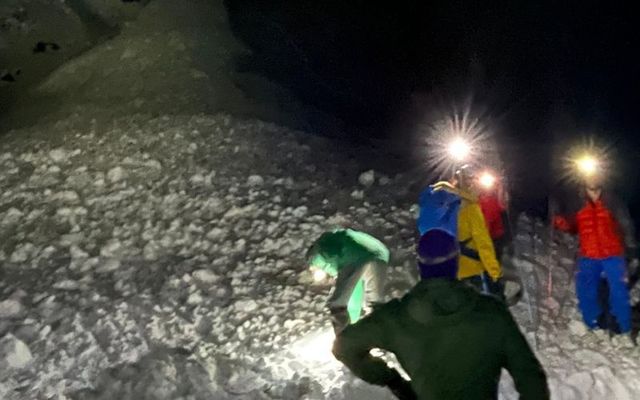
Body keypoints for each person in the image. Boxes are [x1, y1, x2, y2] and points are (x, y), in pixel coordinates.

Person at [333, 229, 550, 400]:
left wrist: (392, 380)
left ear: (420, 266)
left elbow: (344, 346)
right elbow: (532, 380)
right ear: (455, 265)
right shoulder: (492, 312)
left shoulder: (396, 317)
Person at [553, 176, 638, 346]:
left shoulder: (611, 201)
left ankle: (623, 330)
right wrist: (558, 219)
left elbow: (625, 223)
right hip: (588, 254)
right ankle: (593, 325)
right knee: (585, 289)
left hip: (613, 253)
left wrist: (631, 248)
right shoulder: (577, 202)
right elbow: (570, 226)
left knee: (619, 290)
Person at [431, 165, 504, 299]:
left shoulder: (444, 203)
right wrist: (495, 272)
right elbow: (483, 244)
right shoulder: (471, 208)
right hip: (471, 270)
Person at [306, 228, 389, 334]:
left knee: (336, 304)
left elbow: (334, 255)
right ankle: (378, 334)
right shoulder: (338, 237)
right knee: (374, 304)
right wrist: (353, 319)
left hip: (354, 257)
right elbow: (354, 292)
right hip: (380, 255)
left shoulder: (317, 257)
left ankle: (345, 339)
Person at [477, 171, 510, 262]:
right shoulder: (479, 200)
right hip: (486, 236)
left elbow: (489, 220)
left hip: (494, 237)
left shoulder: (495, 202)